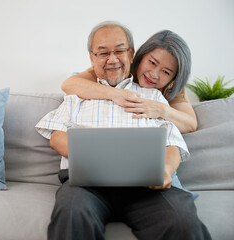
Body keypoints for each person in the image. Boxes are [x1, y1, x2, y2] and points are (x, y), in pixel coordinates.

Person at [35, 21, 211, 240]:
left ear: (131, 54)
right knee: (72, 211)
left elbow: (173, 143)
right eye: (103, 53)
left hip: (146, 188)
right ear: (92, 58)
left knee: (181, 219)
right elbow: (57, 137)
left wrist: (165, 169)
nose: (112, 59)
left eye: (119, 51)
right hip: (88, 186)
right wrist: (101, 159)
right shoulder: (79, 92)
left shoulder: (156, 97)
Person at [61, 27, 196, 133]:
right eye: (152, 62)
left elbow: (190, 123)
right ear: (140, 55)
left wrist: (161, 110)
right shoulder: (119, 69)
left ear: (174, 78)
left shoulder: (171, 87)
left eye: (166, 72)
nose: (154, 74)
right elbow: (69, 84)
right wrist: (116, 94)